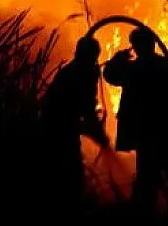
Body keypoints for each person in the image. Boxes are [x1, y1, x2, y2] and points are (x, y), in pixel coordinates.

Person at [102, 27, 168, 218]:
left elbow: (110, 75)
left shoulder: (131, 70)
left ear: (135, 47)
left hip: (146, 136)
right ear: (152, 44)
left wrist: (117, 60)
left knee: (146, 183)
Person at [39, 36, 110, 218]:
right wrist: (96, 132)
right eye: (91, 56)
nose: (92, 60)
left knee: (67, 171)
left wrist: (93, 130)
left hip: (60, 126)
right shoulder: (78, 74)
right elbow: (84, 108)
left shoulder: (78, 71)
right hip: (56, 129)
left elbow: (84, 110)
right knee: (69, 173)